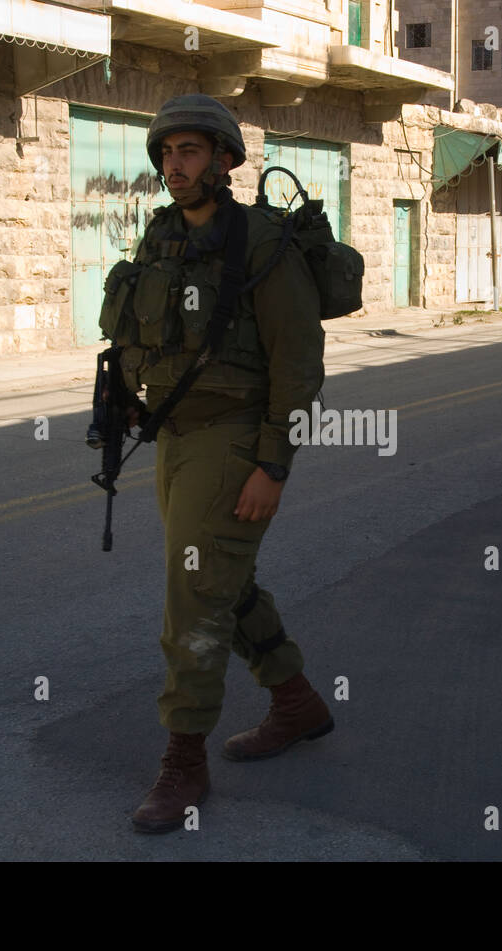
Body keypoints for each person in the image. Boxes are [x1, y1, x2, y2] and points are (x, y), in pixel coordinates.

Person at [105, 95, 333, 834]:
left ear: (226, 160)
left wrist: (275, 464)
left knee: (193, 594)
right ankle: (296, 703)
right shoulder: (163, 234)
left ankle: (183, 760)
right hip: (173, 437)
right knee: (221, 581)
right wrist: (138, 400)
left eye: (192, 151)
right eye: (167, 152)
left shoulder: (260, 240)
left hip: (235, 438)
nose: (175, 165)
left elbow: (298, 364)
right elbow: (153, 332)